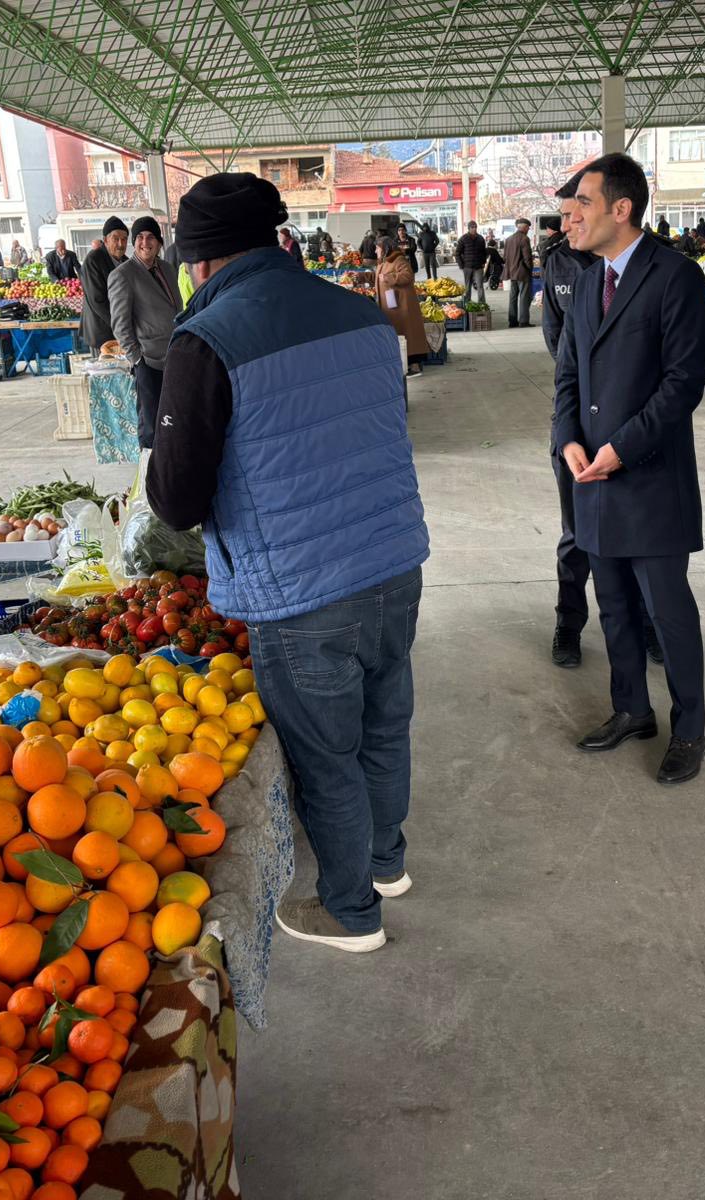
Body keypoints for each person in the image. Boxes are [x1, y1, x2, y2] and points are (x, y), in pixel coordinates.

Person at [147, 172, 428, 954]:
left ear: (198, 263)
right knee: (384, 724)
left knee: (325, 755)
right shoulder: (361, 314)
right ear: (278, 240)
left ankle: (350, 910)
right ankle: (386, 863)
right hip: (393, 558)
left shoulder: (207, 339)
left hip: (300, 588)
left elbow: (175, 499)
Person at [553, 152, 705, 787]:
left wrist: (619, 449)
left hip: (646, 479)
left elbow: (682, 385)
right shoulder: (587, 280)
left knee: (667, 613)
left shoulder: (675, 278)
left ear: (622, 209)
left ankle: (691, 727)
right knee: (613, 605)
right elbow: (568, 370)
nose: (570, 222)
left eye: (582, 207)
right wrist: (568, 439)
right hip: (591, 476)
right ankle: (631, 709)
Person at [541, 173, 661, 671]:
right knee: (577, 536)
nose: (569, 224)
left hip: (634, 432)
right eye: (567, 215)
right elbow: (559, 343)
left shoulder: (655, 269)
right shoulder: (562, 265)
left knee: (638, 537)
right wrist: (572, 425)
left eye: (576, 213)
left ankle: (647, 624)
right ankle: (569, 622)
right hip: (577, 429)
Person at [108, 215, 181, 449]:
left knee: (172, 418)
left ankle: (171, 469)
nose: (144, 242)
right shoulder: (123, 275)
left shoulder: (167, 269)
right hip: (148, 360)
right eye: (139, 237)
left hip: (173, 356)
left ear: (159, 242)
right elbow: (120, 323)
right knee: (150, 423)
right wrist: (137, 358)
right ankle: (149, 476)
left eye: (150, 237)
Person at [374, 236, 426, 376]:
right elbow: (378, 277)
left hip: (402, 305)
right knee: (401, 335)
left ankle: (415, 367)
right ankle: (405, 364)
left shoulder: (398, 260)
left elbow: (408, 276)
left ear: (385, 248)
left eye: (377, 248)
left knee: (408, 334)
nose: (375, 250)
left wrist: (389, 278)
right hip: (392, 306)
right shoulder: (384, 261)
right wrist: (362, 277)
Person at [81, 217, 128, 351]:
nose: (120, 243)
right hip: (101, 330)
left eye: (124, 239)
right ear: (106, 240)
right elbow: (97, 300)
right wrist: (120, 326)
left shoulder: (126, 261)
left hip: (121, 329)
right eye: (116, 238)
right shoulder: (93, 260)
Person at [503, 217, 534, 328]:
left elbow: (505, 257)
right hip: (522, 273)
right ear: (524, 227)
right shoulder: (524, 239)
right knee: (524, 297)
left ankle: (512, 321)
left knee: (513, 297)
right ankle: (524, 321)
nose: (528, 230)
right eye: (528, 228)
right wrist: (530, 269)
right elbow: (527, 258)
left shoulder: (509, 239)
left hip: (512, 273)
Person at [456, 220, 487, 303]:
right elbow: (457, 253)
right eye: (472, 227)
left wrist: (483, 262)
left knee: (480, 286)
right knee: (467, 286)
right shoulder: (463, 239)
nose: (474, 229)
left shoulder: (480, 238)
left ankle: (482, 304)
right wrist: (461, 265)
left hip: (478, 267)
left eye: (475, 227)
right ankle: (467, 303)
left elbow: (484, 252)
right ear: (469, 228)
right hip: (467, 267)